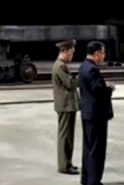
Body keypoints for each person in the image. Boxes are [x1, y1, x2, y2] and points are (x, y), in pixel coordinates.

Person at [78, 40, 115, 185]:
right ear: (97, 53)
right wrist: (109, 89)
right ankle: (94, 180)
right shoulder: (92, 69)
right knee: (96, 149)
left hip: (87, 113)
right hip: (96, 114)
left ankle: (86, 178)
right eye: (103, 52)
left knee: (88, 147)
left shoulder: (83, 67)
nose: (104, 56)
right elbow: (99, 91)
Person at [52, 39, 80, 175]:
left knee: (68, 136)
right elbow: (70, 84)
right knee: (65, 136)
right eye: (72, 52)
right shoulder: (60, 66)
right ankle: (64, 165)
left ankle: (67, 163)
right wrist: (82, 77)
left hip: (65, 105)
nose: (72, 55)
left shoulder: (60, 65)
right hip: (66, 106)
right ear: (66, 51)